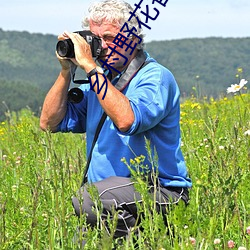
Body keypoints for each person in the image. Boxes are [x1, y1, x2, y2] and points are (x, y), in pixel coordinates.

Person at [40, 0, 192, 244]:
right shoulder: (100, 82)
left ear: (133, 38)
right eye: (95, 38)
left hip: (160, 192)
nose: (101, 47)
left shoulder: (154, 77)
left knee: (88, 200)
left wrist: (90, 67)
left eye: (109, 37)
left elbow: (127, 120)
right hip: (110, 199)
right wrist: (66, 70)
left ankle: (146, 241)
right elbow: (49, 123)